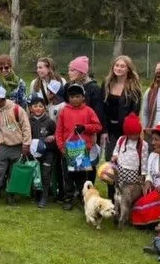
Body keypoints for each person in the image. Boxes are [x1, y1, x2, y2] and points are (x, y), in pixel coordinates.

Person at [100, 55, 142, 200]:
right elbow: (102, 109)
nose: (119, 68)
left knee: (126, 165)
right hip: (109, 131)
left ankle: (125, 198)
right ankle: (112, 198)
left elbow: (134, 113)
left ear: (128, 69)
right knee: (111, 164)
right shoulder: (106, 83)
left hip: (125, 133)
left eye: (122, 66)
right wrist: (104, 130)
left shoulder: (134, 88)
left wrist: (129, 134)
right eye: (117, 65)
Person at [56, 84, 102, 211]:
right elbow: (59, 131)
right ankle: (68, 199)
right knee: (68, 176)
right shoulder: (64, 111)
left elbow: (98, 126)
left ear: (83, 97)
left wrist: (85, 127)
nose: (74, 99)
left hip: (82, 149)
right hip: (68, 149)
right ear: (68, 98)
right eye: (71, 97)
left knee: (82, 177)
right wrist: (61, 147)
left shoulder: (88, 111)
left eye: (77, 96)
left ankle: (84, 199)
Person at [0, 87, 31, 208]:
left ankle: (11, 197)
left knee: (13, 174)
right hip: (2, 147)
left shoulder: (17, 109)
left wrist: (26, 144)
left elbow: (26, 127)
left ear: (0, 99)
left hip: (17, 146)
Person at [111, 113, 148, 227]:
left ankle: (124, 217)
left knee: (127, 195)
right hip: (121, 170)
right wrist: (115, 156)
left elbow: (144, 160)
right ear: (127, 133)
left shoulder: (143, 145)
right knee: (118, 193)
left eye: (137, 134)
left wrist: (143, 174)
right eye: (131, 134)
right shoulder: (121, 140)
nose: (134, 136)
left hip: (133, 174)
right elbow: (116, 150)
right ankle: (116, 212)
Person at [28, 95, 57, 208]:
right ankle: (36, 194)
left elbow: (56, 135)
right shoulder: (28, 121)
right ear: (31, 108)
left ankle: (44, 197)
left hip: (47, 153)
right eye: (35, 106)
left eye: (41, 106)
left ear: (44, 108)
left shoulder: (49, 122)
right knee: (35, 173)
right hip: (32, 153)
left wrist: (52, 138)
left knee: (45, 174)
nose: (38, 108)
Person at [67, 56, 105, 126]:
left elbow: (99, 112)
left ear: (81, 72)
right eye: (69, 70)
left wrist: (103, 131)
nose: (69, 73)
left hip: (89, 128)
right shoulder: (70, 85)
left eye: (72, 70)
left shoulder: (94, 89)